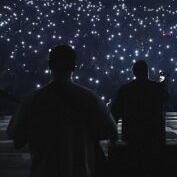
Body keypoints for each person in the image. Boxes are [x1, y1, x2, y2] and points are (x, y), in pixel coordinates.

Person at [7, 44, 118, 177]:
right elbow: (112, 131)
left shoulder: (33, 100)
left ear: (49, 65)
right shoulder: (90, 98)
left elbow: (17, 139)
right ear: (74, 67)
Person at [110, 60, 169, 175]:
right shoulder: (156, 88)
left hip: (133, 136)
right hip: (154, 136)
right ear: (147, 71)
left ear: (134, 72)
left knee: (135, 169)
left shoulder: (125, 89)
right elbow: (166, 98)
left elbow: (115, 112)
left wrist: (113, 136)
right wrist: (163, 83)